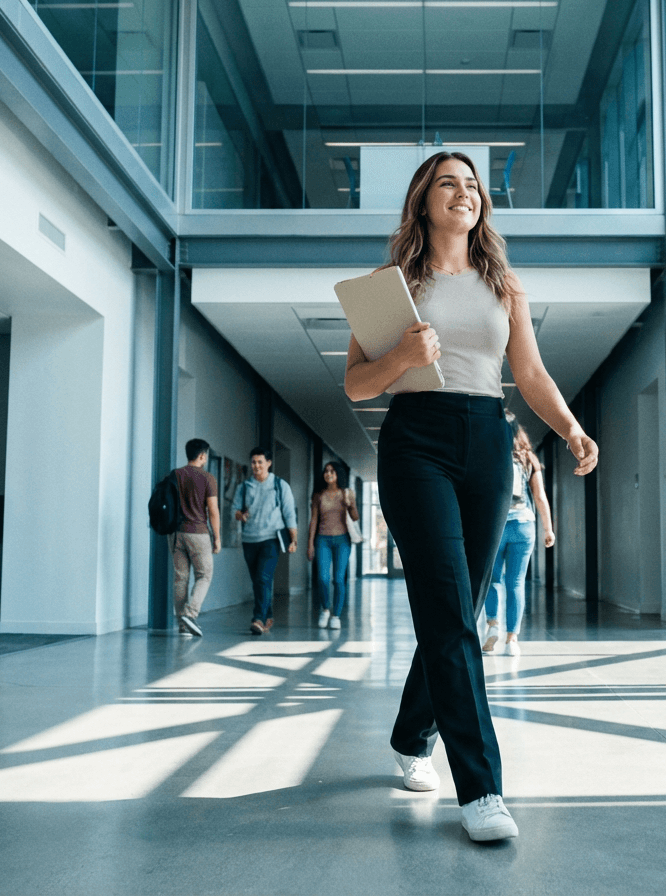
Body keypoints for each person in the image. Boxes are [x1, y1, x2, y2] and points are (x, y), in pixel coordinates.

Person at [344, 151, 598, 843]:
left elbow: (530, 372)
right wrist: (400, 358)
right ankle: (481, 788)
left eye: (473, 184)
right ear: (424, 201)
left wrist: (571, 429)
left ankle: (408, 736)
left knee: (460, 605)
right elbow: (358, 385)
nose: (465, 193)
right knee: (451, 610)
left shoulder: (503, 284)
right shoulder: (386, 285)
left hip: (487, 437)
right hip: (415, 441)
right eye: (449, 183)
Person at [482, 422, 555, 657]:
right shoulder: (529, 459)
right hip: (524, 525)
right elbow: (540, 496)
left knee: (492, 580)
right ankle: (512, 640)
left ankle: (492, 626)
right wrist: (548, 529)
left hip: (495, 526)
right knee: (516, 582)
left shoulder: (488, 453)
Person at [233, 447, 298, 635]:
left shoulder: (280, 485)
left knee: (263, 578)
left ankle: (258, 619)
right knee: (259, 581)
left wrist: (293, 539)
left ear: (268, 463)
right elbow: (235, 510)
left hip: (271, 539)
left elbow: (289, 513)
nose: (256, 466)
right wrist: (240, 515)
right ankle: (268, 616)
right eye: (253, 462)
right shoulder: (244, 487)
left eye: (260, 462)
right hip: (249, 539)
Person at [171, 438, 221, 637]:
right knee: (204, 574)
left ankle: (183, 626)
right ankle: (190, 616)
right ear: (202, 455)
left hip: (177, 533)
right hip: (198, 533)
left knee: (180, 579)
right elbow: (213, 511)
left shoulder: (175, 475)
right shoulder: (207, 478)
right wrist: (217, 537)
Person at [307, 461, 360, 631]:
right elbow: (314, 520)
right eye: (326, 471)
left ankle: (336, 615)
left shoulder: (347, 493)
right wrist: (310, 544)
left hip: (342, 541)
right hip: (323, 540)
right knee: (322, 578)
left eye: (332, 471)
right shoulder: (318, 495)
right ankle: (325, 609)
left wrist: (349, 504)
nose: (328, 474)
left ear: (338, 474)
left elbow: (355, 517)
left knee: (338, 579)